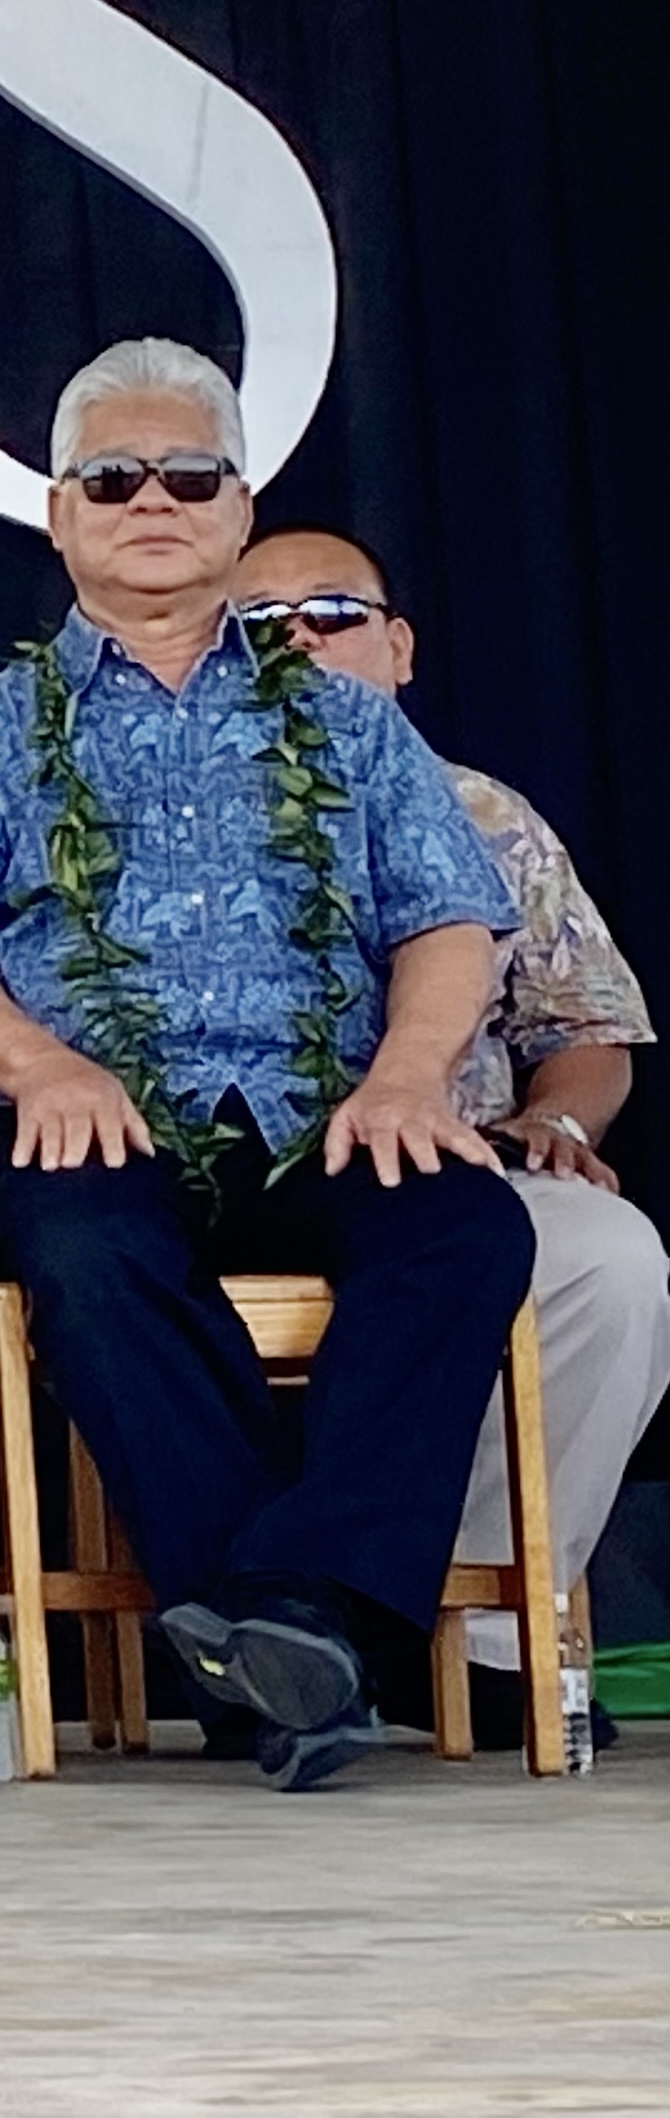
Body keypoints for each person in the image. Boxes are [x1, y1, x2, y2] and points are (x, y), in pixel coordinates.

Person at [0, 339, 530, 1791]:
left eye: (187, 475)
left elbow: (449, 919)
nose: (148, 498)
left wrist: (412, 1075)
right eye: (111, 476)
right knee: (87, 1251)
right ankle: (308, 1635)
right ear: (59, 514)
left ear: (238, 508)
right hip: (90, 1127)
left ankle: (284, 1618)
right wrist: (36, 1064)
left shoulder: (348, 720)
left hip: (326, 1113)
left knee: (467, 1221)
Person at [230, 524, 663, 1722]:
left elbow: (585, 1032)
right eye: (262, 624)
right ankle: (271, 1626)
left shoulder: (485, 818)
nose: (302, 641)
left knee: (610, 1262)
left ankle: (471, 1646)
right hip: (240, 1174)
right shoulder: (175, 818)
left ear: (397, 645)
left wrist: (555, 1125)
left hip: (456, 1163)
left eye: (332, 612)